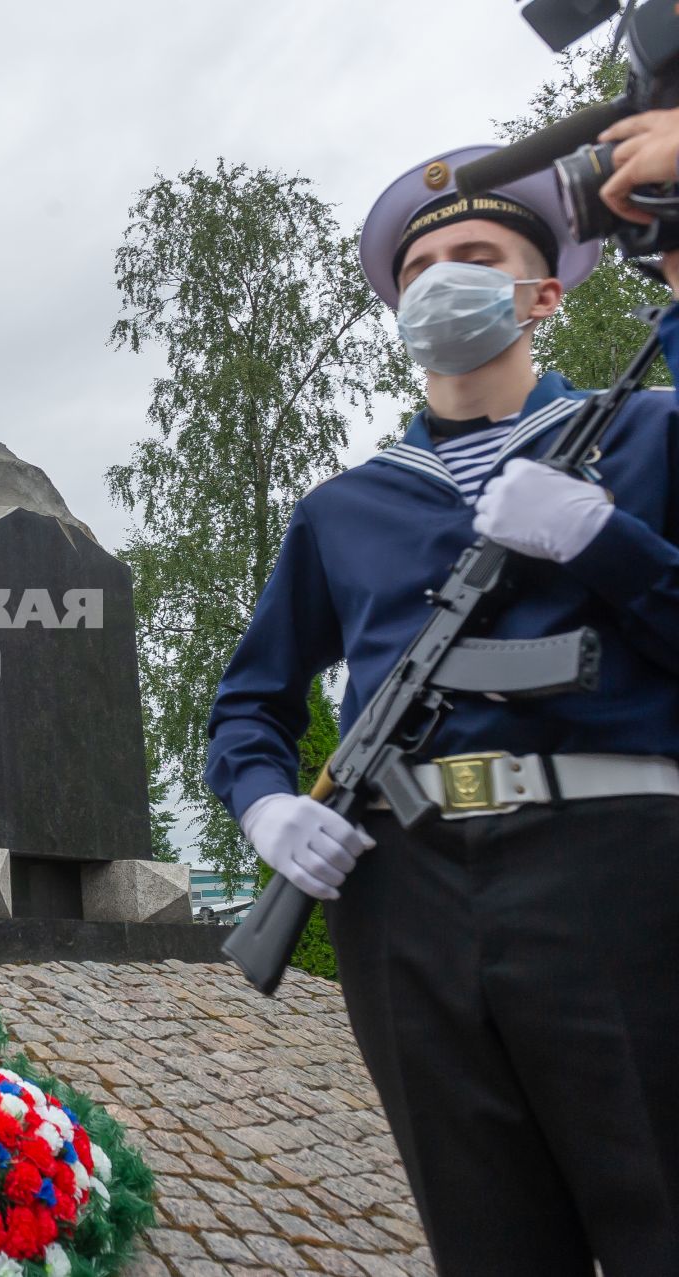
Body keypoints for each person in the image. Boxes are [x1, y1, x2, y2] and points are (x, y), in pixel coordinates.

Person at [207, 145, 679, 1274]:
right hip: (406, 891)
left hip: (620, 871)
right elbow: (248, 703)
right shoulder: (346, 505)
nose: (440, 281)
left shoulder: (653, 434)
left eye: (475, 257)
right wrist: (267, 807)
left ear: (545, 294)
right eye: (419, 267)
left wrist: (605, 541)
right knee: (488, 1236)